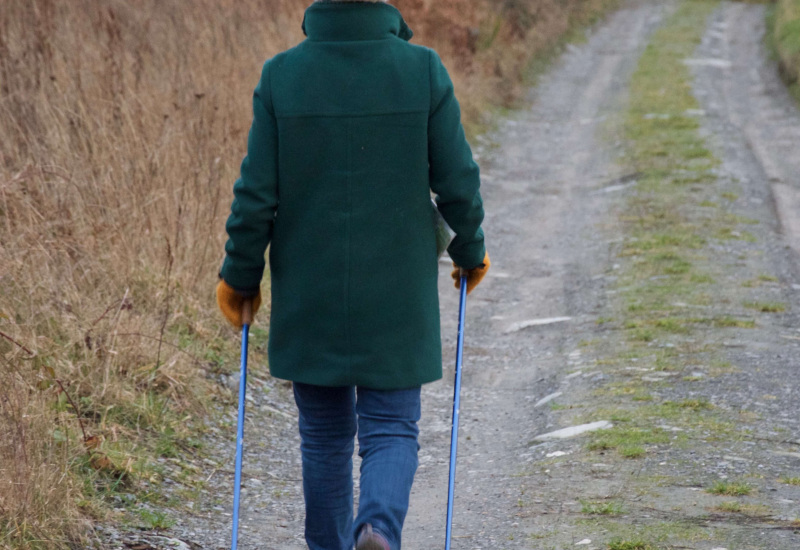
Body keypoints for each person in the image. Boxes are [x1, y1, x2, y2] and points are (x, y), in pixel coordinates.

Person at [215, 1, 489, 548]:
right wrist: (469, 249)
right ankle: (378, 529)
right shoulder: (423, 70)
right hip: (397, 294)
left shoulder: (281, 76)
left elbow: (255, 198)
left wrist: (241, 276)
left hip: (309, 293)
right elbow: (458, 181)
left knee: (323, 438)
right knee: (392, 428)